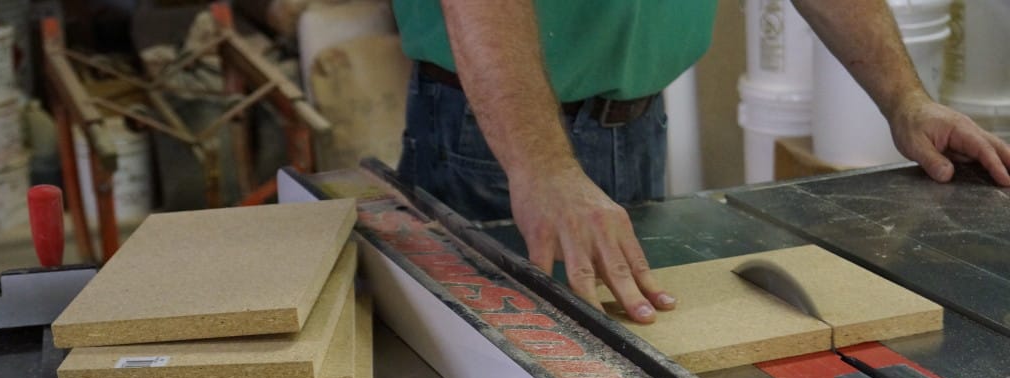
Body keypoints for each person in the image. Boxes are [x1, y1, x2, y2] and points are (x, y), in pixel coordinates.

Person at [392, 1, 1010, 325]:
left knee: (634, 369)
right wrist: (544, 169)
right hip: (494, 138)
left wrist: (905, 99)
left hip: (634, 123)